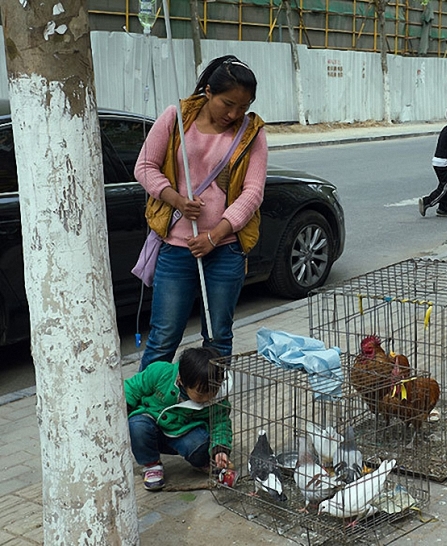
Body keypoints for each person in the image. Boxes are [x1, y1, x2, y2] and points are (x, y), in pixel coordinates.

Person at [135, 55, 268, 372]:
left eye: (243, 106)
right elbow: (144, 167)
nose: (234, 114)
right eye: (228, 103)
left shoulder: (252, 133)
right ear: (208, 91)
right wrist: (176, 199)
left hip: (225, 249)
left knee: (218, 338)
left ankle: (212, 411)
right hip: (176, 247)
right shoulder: (175, 118)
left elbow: (253, 192)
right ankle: (144, 411)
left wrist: (215, 235)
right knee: (164, 338)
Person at [125, 347, 232, 491]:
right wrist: (122, 409)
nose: (207, 398)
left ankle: (203, 462)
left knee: (202, 446)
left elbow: (221, 425)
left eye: (214, 390)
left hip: (184, 433)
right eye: (200, 394)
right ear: (181, 380)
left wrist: (220, 449)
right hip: (152, 427)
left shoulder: (218, 400)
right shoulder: (160, 372)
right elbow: (132, 388)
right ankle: (152, 465)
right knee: (137, 425)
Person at [419, 105, 447, 217]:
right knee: (444, 188)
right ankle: (426, 202)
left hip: (437, 161)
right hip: (443, 163)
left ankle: (444, 209)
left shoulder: (445, 129)